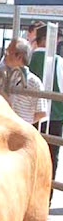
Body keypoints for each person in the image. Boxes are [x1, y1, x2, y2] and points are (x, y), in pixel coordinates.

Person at [29, 23, 63, 180]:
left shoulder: (27, 56)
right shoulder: (58, 61)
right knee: (51, 154)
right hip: (54, 114)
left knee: (30, 153)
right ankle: (47, 192)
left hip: (29, 114)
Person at [4, 37, 47, 124]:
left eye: (8, 52)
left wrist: (24, 124)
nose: (5, 55)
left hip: (20, 131)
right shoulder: (4, 76)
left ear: (19, 57)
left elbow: (41, 112)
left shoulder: (33, 82)